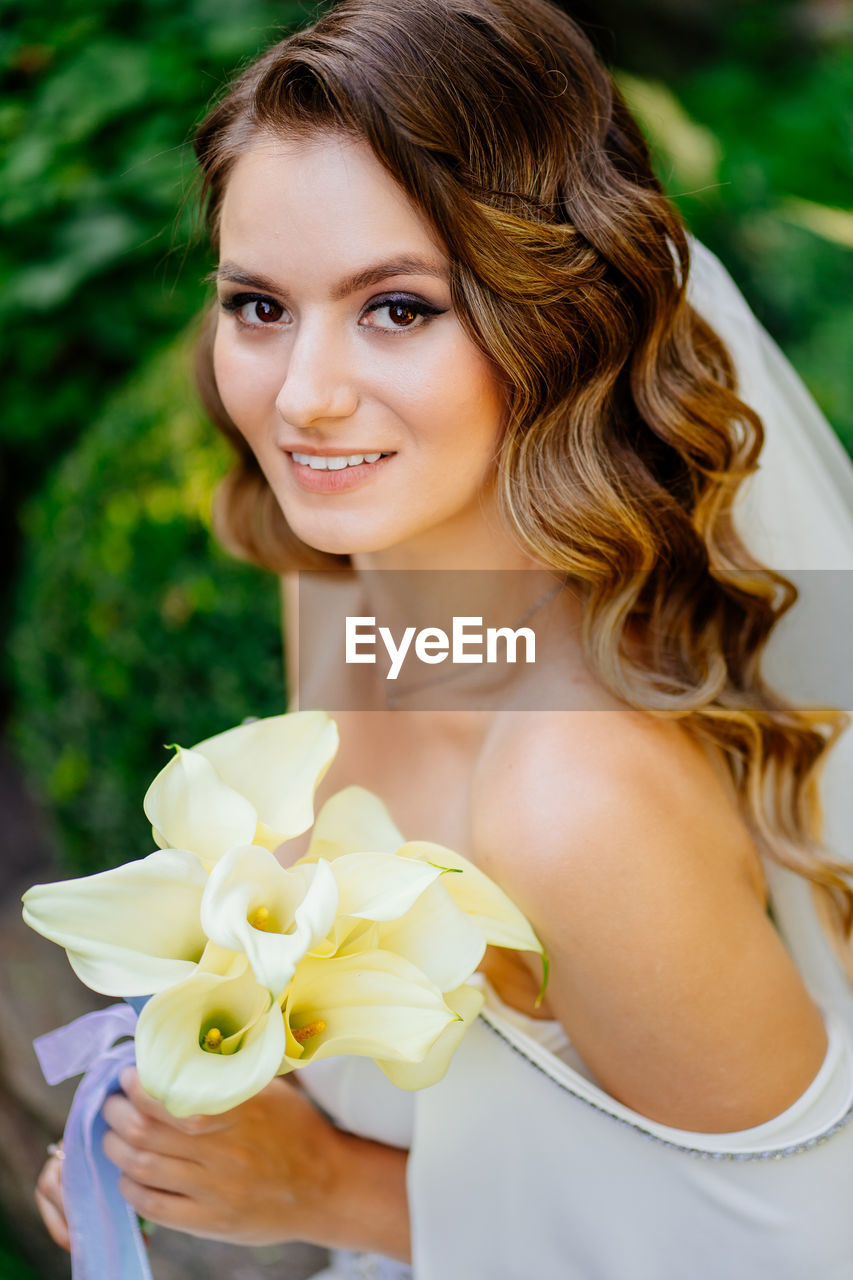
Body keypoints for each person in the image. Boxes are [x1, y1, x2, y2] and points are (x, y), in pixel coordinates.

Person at [35, 1, 853, 1276]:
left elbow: (794, 1247)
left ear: (555, 320)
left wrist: (325, 1187)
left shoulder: (573, 797)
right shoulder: (356, 591)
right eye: (258, 303)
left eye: (398, 308)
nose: (302, 393)